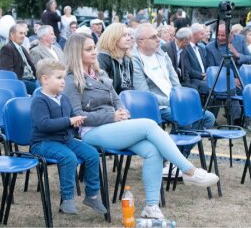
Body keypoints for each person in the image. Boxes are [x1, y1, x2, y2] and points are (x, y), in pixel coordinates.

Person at [63, 33, 219, 220]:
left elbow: (116, 99)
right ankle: (189, 171)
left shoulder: (100, 74)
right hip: (91, 132)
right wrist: (112, 115)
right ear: (75, 53)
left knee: (153, 151)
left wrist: (122, 111)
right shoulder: (71, 81)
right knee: (149, 125)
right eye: (88, 49)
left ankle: (151, 206)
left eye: (94, 47)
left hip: (114, 127)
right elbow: (78, 116)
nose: (94, 52)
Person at [30, 58, 107, 215]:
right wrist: (68, 121)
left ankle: (92, 195)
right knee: (69, 158)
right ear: (45, 80)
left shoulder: (64, 98)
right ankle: (67, 199)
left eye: (64, 78)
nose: (63, 82)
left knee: (92, 154)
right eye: (59, 78)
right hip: (43, 143)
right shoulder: (39, 100)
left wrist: (76, 122)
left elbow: (71, 118)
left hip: (65, 140)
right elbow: (44, 124)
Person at [132, 23, 215, 127]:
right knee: (187, 118)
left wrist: (179, 98)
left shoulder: (162, 55)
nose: (158, 39)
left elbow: (175, 81)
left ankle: (177, 142)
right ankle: (176, 140)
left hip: (173, 101)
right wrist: (171, 101)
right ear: (140, 42)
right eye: (153, 37)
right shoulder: (135, 60)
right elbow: (145, 95)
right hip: (157, 106)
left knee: (208, 118)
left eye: (158, 35)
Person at [0, 24, 37, 94]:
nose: (23, 36)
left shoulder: (22, 49)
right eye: (20, 33)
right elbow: (8, 72)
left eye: (24, 33)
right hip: (20, 81)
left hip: (32, 79)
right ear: (12, 35)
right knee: (39, 89)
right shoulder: (7, 48)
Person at [97, 23, 134, 94]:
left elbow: (131, 86)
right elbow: (104, 89)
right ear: (113, 38)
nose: (129, 38)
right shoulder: (103, 58)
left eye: (129, 35)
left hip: (128, 100)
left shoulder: (128, 59)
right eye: (124, 35)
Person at [183, 23, 208, 93]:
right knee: (211, 86)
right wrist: (202, 76)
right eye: (202, 34)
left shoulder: (201, 49)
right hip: (194, 80)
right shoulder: (185, 48)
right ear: (194, 34)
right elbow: (188, 69)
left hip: (206, 78)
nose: (204, 36)